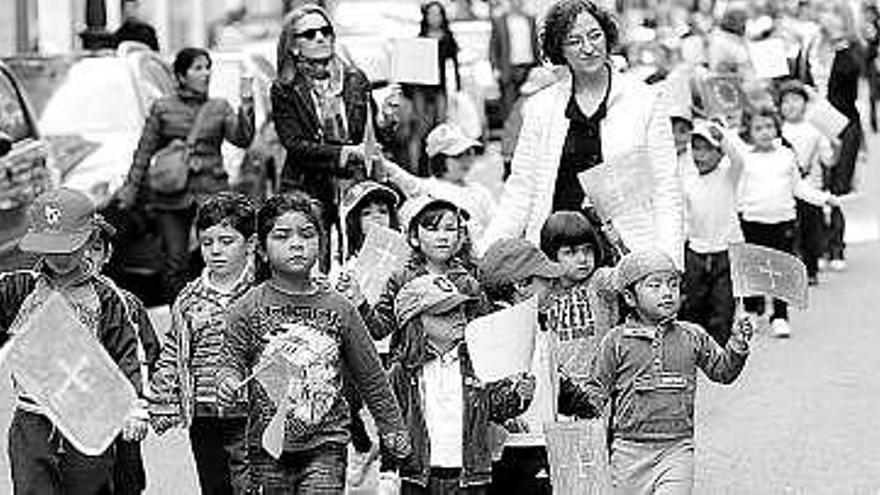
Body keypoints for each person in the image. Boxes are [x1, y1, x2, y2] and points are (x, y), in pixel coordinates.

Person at [216, 191, 411, 493]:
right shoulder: (247, 307)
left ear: (320, 244)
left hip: (327, 442)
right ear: (262, 250)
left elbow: (371, 375)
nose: (296, 243)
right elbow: (230, 358)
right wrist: (227, 380)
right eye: (282, 236)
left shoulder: (341, 309)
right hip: (268, 446)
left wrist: (392, 427)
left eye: (307, 235)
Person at [480, 0, 683, 268]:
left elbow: (666, 186)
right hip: (557, 254)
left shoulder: (644, 100)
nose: (588, 48)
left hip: (626, 252)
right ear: (559, 49)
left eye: (595, 35)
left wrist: (669, 261)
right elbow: (522, 188)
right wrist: (487, 252)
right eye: (574, 41)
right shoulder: (541, 107)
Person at [0, 188, 148, 494]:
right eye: (51, 248)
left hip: (89, 417)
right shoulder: (20, 287)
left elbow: (129, 352)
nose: (60, 257)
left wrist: (134, 407)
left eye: (69, 247)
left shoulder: (106, 297)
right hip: (33, 420)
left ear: (89, 238)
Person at [578, 249, 753, 494]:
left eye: (673, 284)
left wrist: (737, 344)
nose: (667, 292)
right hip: (628, 451)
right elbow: (596, 392)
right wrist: (575, 413)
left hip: (677, 448)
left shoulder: (693, 336)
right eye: (655, 285)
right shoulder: (615, 341)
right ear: (629, 297)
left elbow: (723, 371)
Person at [119, 47, 255, 304]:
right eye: (197, 68)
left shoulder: (219, 107)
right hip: (172, 193)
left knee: (221, 255)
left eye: (207, 67)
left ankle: (221, 311)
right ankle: (179, 316)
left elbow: (242, 140)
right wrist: (130, 188)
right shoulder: (162, 108)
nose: (205, 73)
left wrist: (247, 104)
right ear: (181, 76)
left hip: (212, 191)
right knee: (175, 262)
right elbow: (144, 153)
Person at [385, 272, 535, 494]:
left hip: (469, 478)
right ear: (416, 322)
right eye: (445, 312)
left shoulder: (478, 360)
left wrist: (519, 395)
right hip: (418, 479)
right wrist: (388, 471)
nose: (458, 316)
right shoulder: (402, 371)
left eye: (459, 309)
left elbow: (497, 407)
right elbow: (389, 422)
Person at [150, 192, 257, 495]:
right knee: (213, 485)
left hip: (249, 410)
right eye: (207, 242)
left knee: (249, 485)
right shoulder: (189, 296)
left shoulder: (260, 292)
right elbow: (174, 349)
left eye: (227, 241)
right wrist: (161, 401)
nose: (216, 251)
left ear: (250, 244)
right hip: (203, 413)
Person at [476, 237, 596, 495]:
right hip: (511, 450)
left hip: (543, 441)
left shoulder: (538, 326)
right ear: (521, 285)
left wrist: (586, 407)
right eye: (547, 280)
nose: (554, 286)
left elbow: (554, 380)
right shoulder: (496, 331)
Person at [271, 5, 377, 271]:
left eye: (325, 30)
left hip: (353, 184)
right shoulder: (285, 88)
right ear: (294, 46)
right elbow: (294, 144)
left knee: (357, 264)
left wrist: (386, 119)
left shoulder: (355, 78)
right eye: (309, 34)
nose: (320, 37)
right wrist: (343, 153)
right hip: (307, 187)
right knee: (315, 266)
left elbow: (370, 137)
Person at [736, 106, 840, 338]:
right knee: (753, 271)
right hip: (753, 221)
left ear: (777, 128)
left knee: (780, 271)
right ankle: (752, 312)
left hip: (782, 221)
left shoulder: (785, 155)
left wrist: (823, 198)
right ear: (749, 132)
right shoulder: (744, 158)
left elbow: (798, 187)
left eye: (769, 126)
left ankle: (780, 316)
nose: (764, 132)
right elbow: (737, 192)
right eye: (758, 128)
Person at [84, 218, 161, 495]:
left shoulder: (127, 303)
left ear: (107, 254)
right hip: (74, 411)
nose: (85, 256)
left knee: (126, 480)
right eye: (78, 248)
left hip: (119, 411)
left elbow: (148, 354)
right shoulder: (50, 301)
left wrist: (139, 404)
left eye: (94, 248)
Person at [335, 180, 403, 487]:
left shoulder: (403, 260)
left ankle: (391, 470)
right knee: (344, 403)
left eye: (383, 211)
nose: (377, 218)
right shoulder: (344, 265)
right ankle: (361, 447)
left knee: (392, 407)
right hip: (354, 347)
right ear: (353, 220)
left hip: (392, 343)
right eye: (367, 212)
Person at [795, 1, 863, 270]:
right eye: (824, 11)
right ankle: (816, 245)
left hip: (841, 124)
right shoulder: (812, 43)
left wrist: (838, 45)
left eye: (833, 12)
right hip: (811, 122)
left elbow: (850, 82)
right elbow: (799, 74)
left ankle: (836, 246)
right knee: (813, 183)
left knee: (837, 185)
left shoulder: (852, 49)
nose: (826, 16)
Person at [679, 120, 744, 346]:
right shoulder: (688, 183)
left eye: (707, 149)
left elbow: (738, 159)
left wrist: (722, 137)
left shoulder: (728, 176)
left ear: (719, 153)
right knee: (695, 304)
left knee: (723, 305)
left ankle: (719, 352)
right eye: (696, 148)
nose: (700, 155)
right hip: (696, 252)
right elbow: (684, 220)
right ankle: (696, 349)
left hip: (725, 251)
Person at [381, 123, 497, 244]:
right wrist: (380, 160)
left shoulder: (479, 191)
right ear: (440, 160)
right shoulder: (428, 188)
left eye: (469, 153)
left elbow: (496, 223)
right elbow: (399, 176)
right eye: (458, 156)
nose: (466, 161)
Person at [539, 211, 618, 378]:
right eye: (570, 252)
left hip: (598, 386)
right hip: (557, 388)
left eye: (587, 250)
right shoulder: (544, 291)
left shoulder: (599, 282)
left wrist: (618, 242)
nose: (583, 259)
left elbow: (628, 274)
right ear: (552, 255)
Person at [777, 79, 833, 286]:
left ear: (805, 103)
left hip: (811, 187)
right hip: (785, 191)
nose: (791, 105)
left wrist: (834, 144)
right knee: (789, 233)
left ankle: (811, 268)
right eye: (785, 101)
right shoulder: (776, 130)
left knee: (811, 230)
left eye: (796, 100)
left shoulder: (815, 130)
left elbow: (829, 159)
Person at [405, 1, 462, 176]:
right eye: (431, 14)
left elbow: (455, 66)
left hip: (440, 89)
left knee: (441, 128)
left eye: (438, 14)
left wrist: (457, 89)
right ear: (426, 17)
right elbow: (412, 67)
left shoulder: (448, 38)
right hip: (421, 89)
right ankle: (421, 168)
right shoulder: (420, 39)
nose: (434, 18)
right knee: (422, 129)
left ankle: (439, 167)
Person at [490, 0, 541, 122]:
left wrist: (540, 65)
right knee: (510, 107)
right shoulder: (500, 21)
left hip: (529, 68)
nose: (516, 2)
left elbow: (536, 44)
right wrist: (495, 68)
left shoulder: (530, 19)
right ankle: (511, 137)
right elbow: (493, 47)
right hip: (509, 69)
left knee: (531, 107)